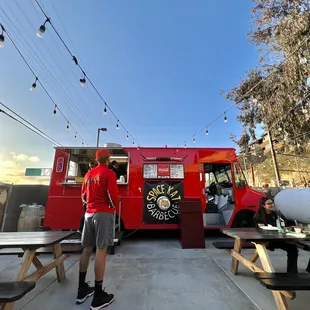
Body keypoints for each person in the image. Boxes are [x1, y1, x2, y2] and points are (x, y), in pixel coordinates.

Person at [76, 149, 118, 309]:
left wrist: (88, 208)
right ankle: (99, 296)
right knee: (101, 250)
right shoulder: (109, 173)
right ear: (109, 159)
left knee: (86, 249)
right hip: (103, 213)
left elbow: (83, 196)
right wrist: (112, 207)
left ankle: (82, 290)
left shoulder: (88, 175)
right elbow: (112, 195)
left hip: (88, 213)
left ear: (96, 159)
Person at [253, 197, 298, 273]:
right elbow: (262, 230)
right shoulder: (259, 215)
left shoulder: (276, 214)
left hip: (278, 238)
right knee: (291, 245)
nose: (271, 205)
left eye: (272, 203)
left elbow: (284, 225)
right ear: (263, 205)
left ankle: (292, 273)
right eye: (268, 204)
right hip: (267, 240)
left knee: (293, 248)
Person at [77, 161, 98, 234]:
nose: (92, 167)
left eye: (93, 165)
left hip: (87, 196)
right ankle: (82, 229)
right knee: (87, 213)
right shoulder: (91, 174)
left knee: (87, 213)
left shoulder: (88, 174)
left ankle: (83, 229)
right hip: (88, 197)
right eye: (91, 166)